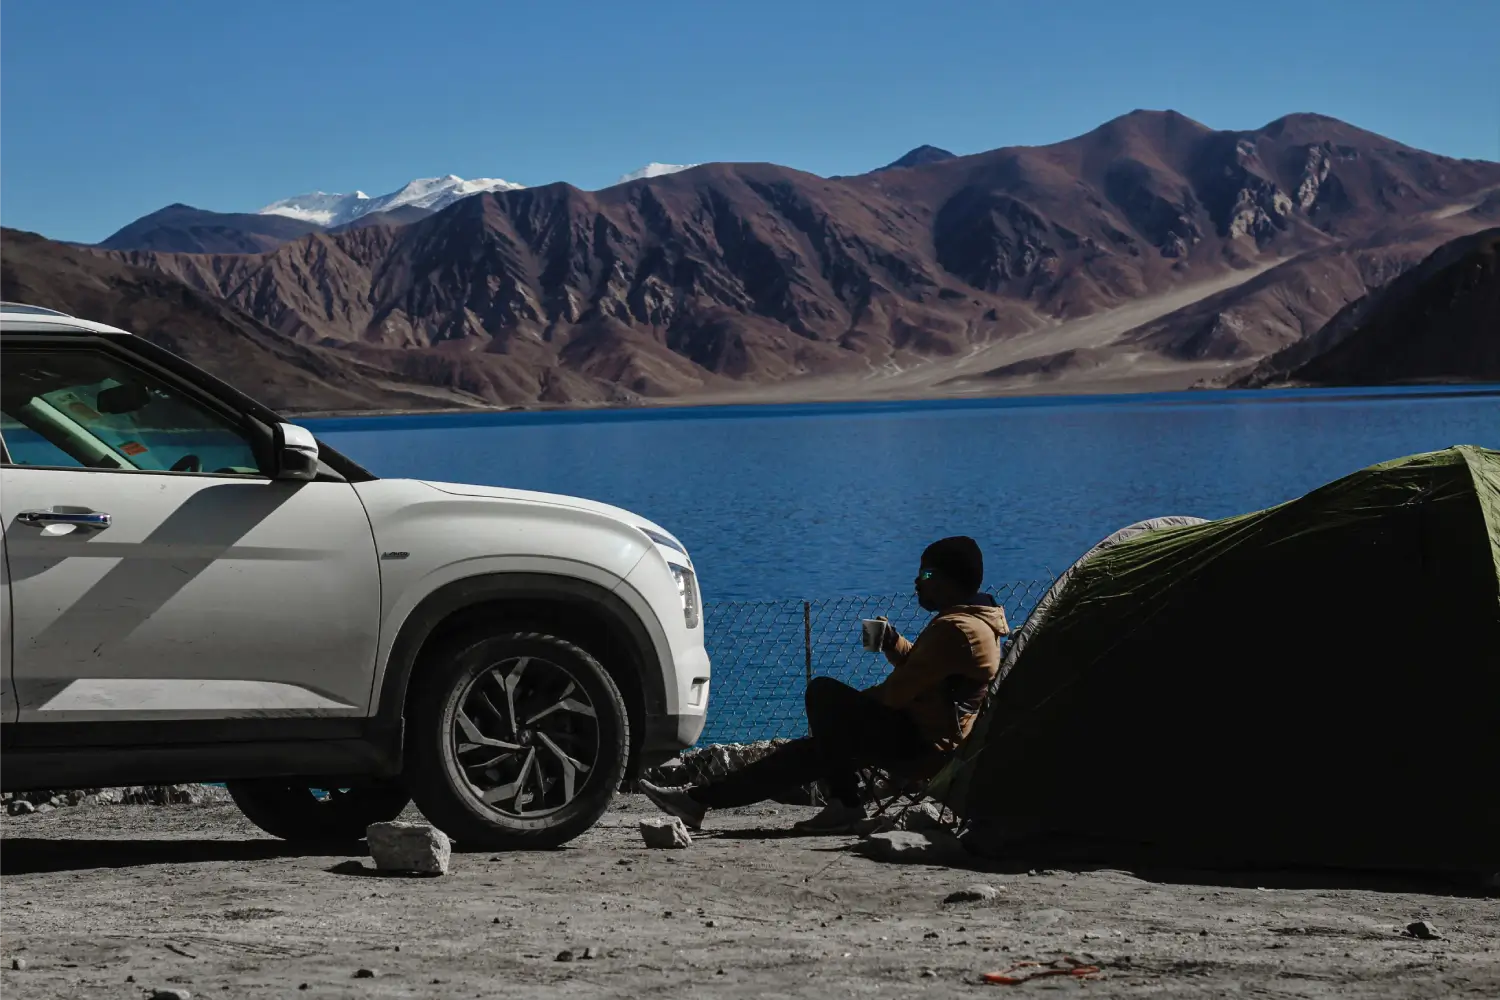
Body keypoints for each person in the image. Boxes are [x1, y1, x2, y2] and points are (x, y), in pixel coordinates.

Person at [639, 536, 1009, 835]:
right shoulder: (974, 622)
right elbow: (931, 672)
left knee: (823, 694)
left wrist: (842, 716)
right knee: (811, 752)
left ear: (950, 581)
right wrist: (894, 644)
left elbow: (895, 694)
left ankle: (846, 804)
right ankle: (697, 801)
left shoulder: (955, 629)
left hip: (922, 746)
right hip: (929, 736)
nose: (917, 582)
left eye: (926, 574)